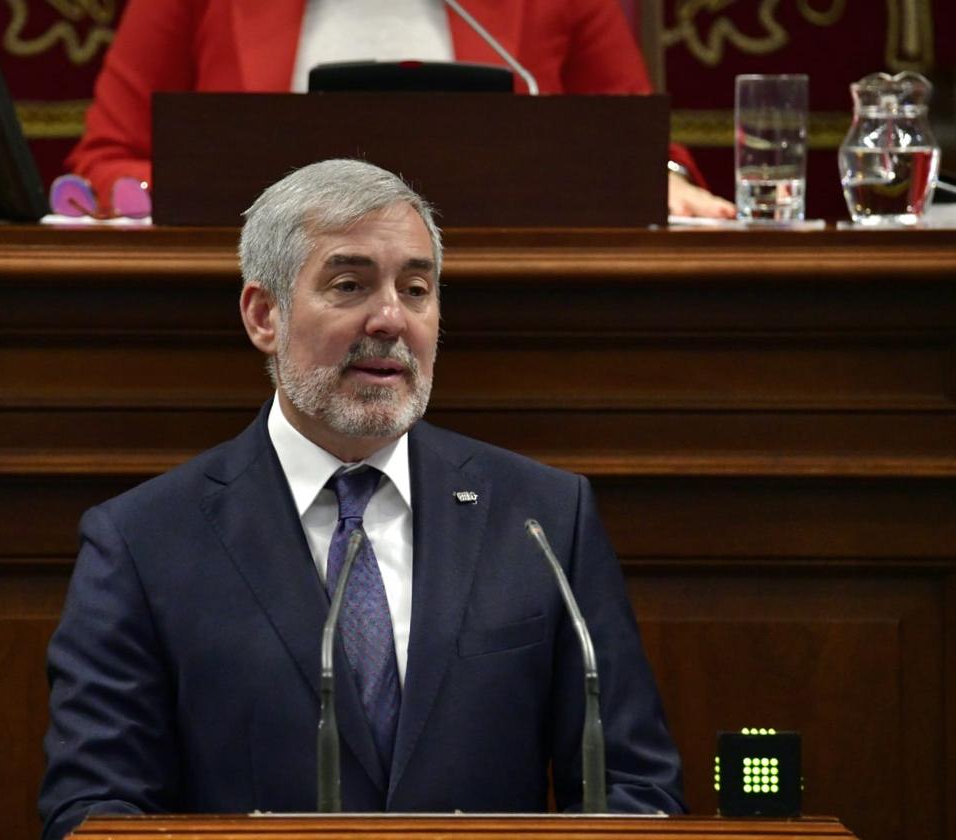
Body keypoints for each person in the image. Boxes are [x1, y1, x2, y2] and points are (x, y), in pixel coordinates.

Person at [39, 158, 685, 840]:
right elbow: (94, 812)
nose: (390, 319)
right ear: (265, 315)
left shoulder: (544, 518)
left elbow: (635, 790)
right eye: (350, 286)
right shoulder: (144, 542)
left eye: (416, 289)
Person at [66, 0, 734, 218]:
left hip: (512, 309)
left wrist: (661, 184)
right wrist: (175, 197)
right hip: (251, 312)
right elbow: (108, 157)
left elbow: (641, 149)